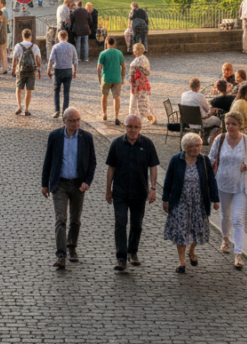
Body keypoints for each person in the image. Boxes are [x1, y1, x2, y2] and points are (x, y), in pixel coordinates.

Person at [41, 108, 96, 269]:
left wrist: (87, 181)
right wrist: (45, 184)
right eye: (72, 120)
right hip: (60, 184)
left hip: (79, 184)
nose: (76, 123)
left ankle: (72, 246)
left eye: (78, 119)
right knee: (61, 219)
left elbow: (92, 162)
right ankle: (61, 255)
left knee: (75, 219)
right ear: (64, 121)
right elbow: (48, 161)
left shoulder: (86, 137)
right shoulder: (55, 136)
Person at [105, 114, 159, 271]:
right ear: (125, 126)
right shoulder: (116, 144)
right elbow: (111, 168)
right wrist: (108, 189)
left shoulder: (147, 144)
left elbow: (153, 166)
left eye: (136, 127)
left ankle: (133, 251)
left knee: (137, 225)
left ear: (140, 128)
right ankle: (121, 257)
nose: (133, 130)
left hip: (139, 192)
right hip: (120, 192)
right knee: (120, 223)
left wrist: (153, 188)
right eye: (130, 126)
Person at [162, 132, 219, 274]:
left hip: (198, 201)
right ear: (186, 147)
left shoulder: (204, 161)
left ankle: (192, 251)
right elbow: (168, 180)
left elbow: (211, 181)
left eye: (199, 146)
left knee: (197, 230)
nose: (196, 149)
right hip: (181, 200)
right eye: (193, 146)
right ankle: (182, 262)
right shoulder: (176, 160)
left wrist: (215, 199)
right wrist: (165, 199)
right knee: (181, 230)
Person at [209, 112, 247, 270]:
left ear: (240, 126)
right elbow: (210, 159)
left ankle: (238, 253)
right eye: (228, 123)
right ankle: (225, 238)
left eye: (234, 124)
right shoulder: (220, 139)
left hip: (241, 185)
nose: (230, 127)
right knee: (225, 216)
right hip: (222, 184)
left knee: (238, 219)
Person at [48, 30, 78, 119]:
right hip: (68, 70)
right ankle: (65, 112)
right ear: (67, 37)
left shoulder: (55, 47)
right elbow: (75, 61)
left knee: (56, 91)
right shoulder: (72, 47)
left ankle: (57, 110)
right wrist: (75, 71)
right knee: (66, 92)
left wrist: (48, 70)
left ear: (59, 37)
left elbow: (51, 59)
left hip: (58, 70)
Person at [96, 35, 126, 124]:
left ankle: (105, 114)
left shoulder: (103, 53)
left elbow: (99, 68)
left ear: (106, 43)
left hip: (106, 78)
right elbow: (123, 67)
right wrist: (122, 78)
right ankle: (116, 116)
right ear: (115, 43)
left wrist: (99, 79)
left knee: (104, 96)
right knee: (116, 98)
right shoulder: (119, 53)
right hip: (117, 78)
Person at [12, 28, 41, 117]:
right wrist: (39, 70)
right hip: (31, 71)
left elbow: (14, 59)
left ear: (22, 35)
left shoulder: (18, 46)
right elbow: (38, 60)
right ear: (30, 36)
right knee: (29, 90)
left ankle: (19, 106)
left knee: (18, 88)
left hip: (20, 70)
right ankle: (26, 109)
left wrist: (13, 69)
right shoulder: (35, 47)